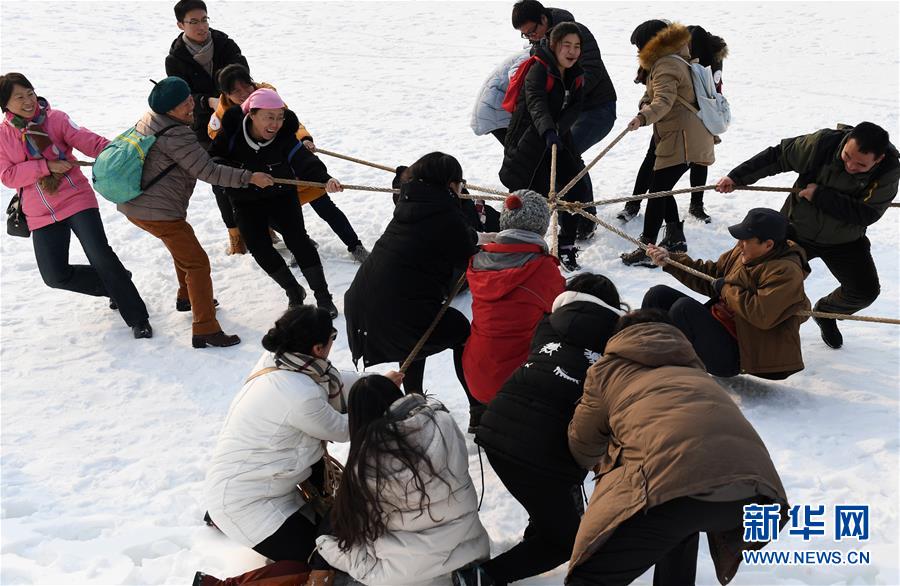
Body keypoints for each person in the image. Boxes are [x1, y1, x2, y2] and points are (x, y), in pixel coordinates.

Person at [566, 310, 790, 586]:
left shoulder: (606, 371)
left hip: (676, 491)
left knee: (588, 577)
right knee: (679, 511)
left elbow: (583, 445)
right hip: (758, 496)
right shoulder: (695, 370)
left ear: (620, 337)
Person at [455, 274, 625, 586]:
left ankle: (538, 536)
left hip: (496, 428)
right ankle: (482, 579)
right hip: (542, 453)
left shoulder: (548, 324)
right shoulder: (619, 339)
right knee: (565, 542)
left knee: (549, 509)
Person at [203, 306, 381, 564]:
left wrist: (377, 382)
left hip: (268, 486)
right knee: (325, 558)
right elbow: (343, 429)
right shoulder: (299, 395)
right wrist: (379, 401)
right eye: (332, 336)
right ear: (318, 349)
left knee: (333, 536)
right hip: (248, 506)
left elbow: (338, 381)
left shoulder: (281, 361)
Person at [117, 76, 273, 348]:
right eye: (183, 104)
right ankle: (205, 328)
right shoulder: (177, 134)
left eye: (189, 97)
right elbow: (209, 171)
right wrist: (249, 177)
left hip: (139, 205)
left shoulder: (151, 119)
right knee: (197, 263)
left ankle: (187, 296)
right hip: (157, 210)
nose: (191, 105)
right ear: (168, 110)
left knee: (184, 252)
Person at [717, 122, 899, 349]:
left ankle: (826, 313)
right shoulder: (823, 143)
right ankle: (728, 324)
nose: (850, 165)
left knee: (864, 291)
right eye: (846, 156)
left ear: (878, 160)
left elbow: (866, 214)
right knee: (758, 277)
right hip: (797, 229)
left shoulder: (888, 170)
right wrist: (737, 177)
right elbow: (779, 156)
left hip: (844, 239)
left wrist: (820, 195)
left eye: (861, 164)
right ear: (846, 142)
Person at [0, 72, 152, 338]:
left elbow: (86, 140)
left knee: (100, 255)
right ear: (5, 105)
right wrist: (44, 166)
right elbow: (7, 175)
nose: (28, 101)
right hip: (39, 211)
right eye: (19, 97)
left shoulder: (55, 118)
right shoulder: (3, 136)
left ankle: (138, 318)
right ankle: (116, 283)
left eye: (30, 93)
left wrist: (117, 153)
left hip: (75, 198)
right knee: (55, 275)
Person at [313, 375, 490, 586]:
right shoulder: (444, 424)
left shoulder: (366, 465)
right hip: (471, 549)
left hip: (408, 574)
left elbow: (354, 526)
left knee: (328, 536)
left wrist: (324, 546)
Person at [345, 153, 481, 417]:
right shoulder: (444, 211)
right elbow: (467, 255)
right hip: (396, 307)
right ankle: (477, 408)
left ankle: (414, 399)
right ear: (450, 183)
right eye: (459, 183)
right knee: (460, 332)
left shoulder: (408, 201)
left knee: (417, 333)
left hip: (363, 299)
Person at [210, 65, 369, 263]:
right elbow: (223, 151)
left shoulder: (267, 98)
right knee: (275, 214)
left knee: (325, 205)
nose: (244, 94)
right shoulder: (222, 118)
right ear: (225, 94)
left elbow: (290, 122)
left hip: (292, 165)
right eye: (236, 91)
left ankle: (355, 245)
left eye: (246, 87)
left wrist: (303, 138)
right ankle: (301, 243)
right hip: (265, 178)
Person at [210, 88, 342, 317]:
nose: (276, 124)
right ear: (252, 114)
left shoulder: (283, 136)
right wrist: (247, 177)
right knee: (259, 248)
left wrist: (325, 179)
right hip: (246, 200)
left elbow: (303, 159)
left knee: (299, 243)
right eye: (269, 117)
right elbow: (215, 163)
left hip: (281, 196)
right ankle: (293, 292)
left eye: (280, 117)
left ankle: (323, 296)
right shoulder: (231, 135)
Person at [642, 208, 811, 379]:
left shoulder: (786, 271)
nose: (739, 244)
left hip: (741, 356)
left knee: (683, 309)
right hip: (720, 326)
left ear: (768, 244)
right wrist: (671, 260)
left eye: (746, 240)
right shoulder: (744, 251)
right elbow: (711, 276)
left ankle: (664, 371)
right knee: (657, 295)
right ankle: (642, 351)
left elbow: (762, 313)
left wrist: (725, 289)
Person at [511, 0, 618, 240]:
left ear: (544, 19)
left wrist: (566, 95)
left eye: (532, 31)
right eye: (525, 35)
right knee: (554, 156)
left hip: (597, 108)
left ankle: (585, 216)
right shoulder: (539, 43)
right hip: (564, 114)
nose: (530, 37)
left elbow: (591, 70)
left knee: (567, 156)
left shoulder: (577, 35)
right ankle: (571, 210)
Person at [620, 20, 715, 267]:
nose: (638, 53)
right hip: (683, 136)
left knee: (658, 191)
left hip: (681, 139)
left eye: (638, 47)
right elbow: (652, 95)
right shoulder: (675, 59)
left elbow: (662, 101)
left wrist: (642, 117)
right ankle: (674, 237)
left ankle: (647, 247)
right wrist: (644, 105)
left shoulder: (666, 65)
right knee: (660, 187)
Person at [499, 22, 591, 270]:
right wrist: (548, 130)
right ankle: (518, 251)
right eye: (566, 45)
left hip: (558, 139)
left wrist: (558, 131)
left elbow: (575, 108)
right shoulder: (539, 69)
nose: (572, 51)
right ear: (554, 45)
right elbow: (535, 103)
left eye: (577, 46)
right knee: (528, 198)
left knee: (575, 189)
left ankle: (566, 245)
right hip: (529, 141)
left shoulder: (577, 74)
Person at [462, 189, 565, 406]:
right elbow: (562, 310)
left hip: (476, 375)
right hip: (516, 381)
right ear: (541, 226)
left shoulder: (479, 261)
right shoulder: (543, 269)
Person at [165, 0, 247, 146]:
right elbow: (181, 97)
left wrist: (226, 101)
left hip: (239, 113)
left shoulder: (226, 45)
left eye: (204, 20)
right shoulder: (175, 60)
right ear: (180, 25)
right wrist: (207, 101)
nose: (202, 27)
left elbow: (243, 78)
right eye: (194, 22)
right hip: (202, 124)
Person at [471, 51, 531, 145]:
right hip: (497, 111)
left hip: (496, 108)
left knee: (521, 153)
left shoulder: (530, 53)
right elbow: (516, 78)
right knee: (519, 154)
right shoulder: (529, 55)